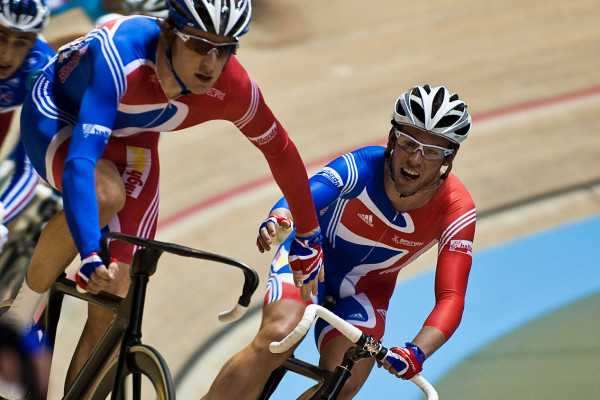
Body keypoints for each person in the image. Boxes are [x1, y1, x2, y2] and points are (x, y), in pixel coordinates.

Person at [1, 0, 324, 394]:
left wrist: (309, 237)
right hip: (60, 113)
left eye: (225, 49)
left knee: (115, 297)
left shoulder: (233, 86)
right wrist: (88, 252)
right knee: (105, 194)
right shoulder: (123, 52)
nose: (211, 62)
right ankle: (21, 316)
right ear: (170, 33)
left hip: (132, 141)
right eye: (199, 45)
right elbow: (82, 162)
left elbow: (282, 151)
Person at [205, 84, 476, 400]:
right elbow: (303, 196)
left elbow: (451, 297)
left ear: (448, 158)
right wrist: (280, 217)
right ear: (392, 139)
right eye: (408, 143)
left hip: (365, 293)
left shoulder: (457, 209)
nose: (415, 159)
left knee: (342, 384)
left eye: (430, 151)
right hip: (309, 260)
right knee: (278, 337)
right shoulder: (361, 165)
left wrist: (418, 351)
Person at [0, 0, 54, 253]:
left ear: (33, 42)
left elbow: (28, 167)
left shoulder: (41, 68)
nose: (6, 55)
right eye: (1, 37)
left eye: (20, 42)